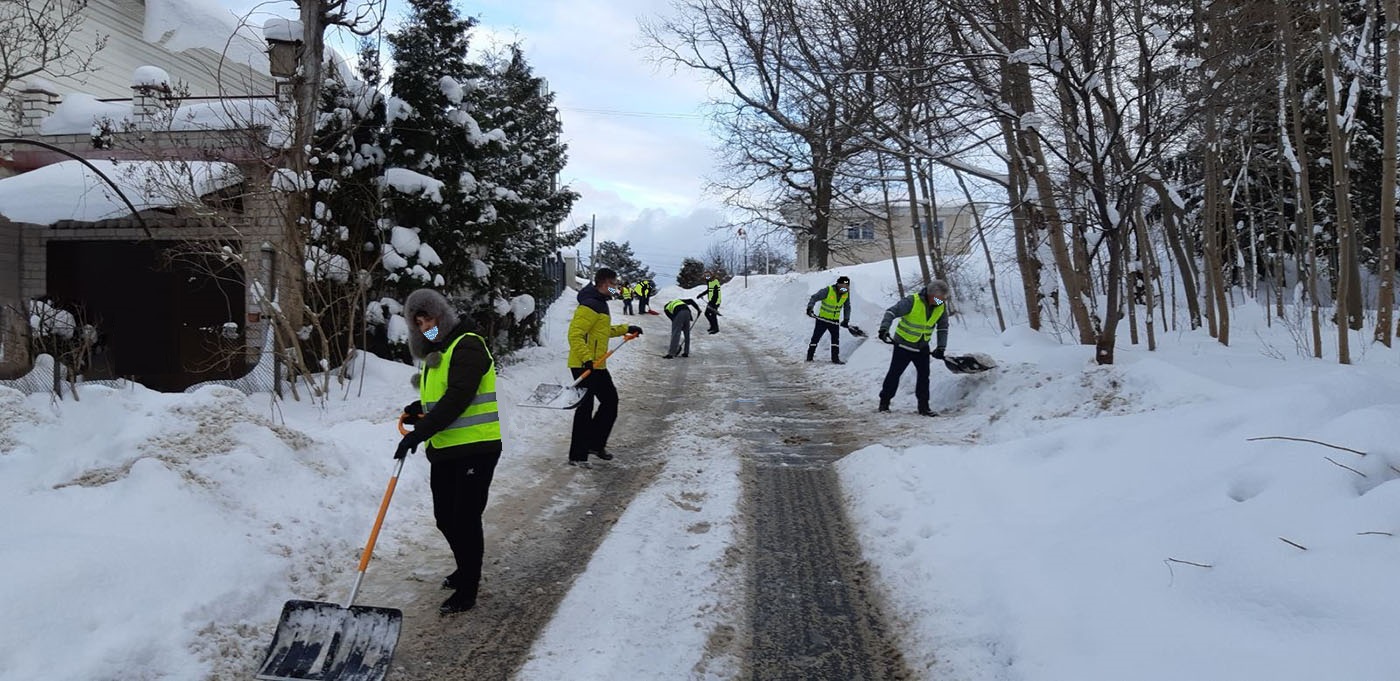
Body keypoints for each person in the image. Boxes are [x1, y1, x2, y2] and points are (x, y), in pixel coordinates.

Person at [396, 288, 502, 615]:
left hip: (476, 448)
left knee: (465, 518)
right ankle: (464, 566)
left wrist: (418, 434)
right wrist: (419, 408)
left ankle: (468, 588)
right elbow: (440, 397)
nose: (423, 325)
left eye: (427, 318)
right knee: (445, 519)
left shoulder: (467, 344)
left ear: (441, 315)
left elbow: (458, 397)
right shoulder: (439, 348)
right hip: (446, 449)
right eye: (418, 322)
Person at [568, 268, 643, 467]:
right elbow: (575, 335)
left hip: (597, 364)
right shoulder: (589, 305)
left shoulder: (600, 304)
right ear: (603, 283)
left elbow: (602, 332)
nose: (616, 287)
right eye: (614, 283)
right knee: (585, 408)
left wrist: (627, 329)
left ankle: (594, 444)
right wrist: (586, 359)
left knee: (610, 402)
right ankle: (577, 455)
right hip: (583, 365)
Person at [876, 280, 951, 417]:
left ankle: (924, 407)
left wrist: (941, 347)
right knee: (894, 374)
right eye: (939, 299)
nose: (942, 302)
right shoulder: (912, 301)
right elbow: (891, 312)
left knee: (924, 377)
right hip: (903, 345)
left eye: (943, 299)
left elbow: (943, 327)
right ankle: (884, 402)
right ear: (930, 295)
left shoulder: (940, 305)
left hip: (922, 346)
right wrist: (884, 329)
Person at [805, 275, 852, 365]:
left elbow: (847, 307)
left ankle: (835, 358)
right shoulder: (828, 290)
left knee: (835, 340)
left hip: (834, 321)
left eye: (846, 287)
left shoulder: (846, 294)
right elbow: (814, 297)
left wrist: (846, 319)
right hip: (822, 319)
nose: (844, 288)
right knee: (816, 338)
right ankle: (809, 356)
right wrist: (810, 308)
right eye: (842, 286)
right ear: (838, 285)